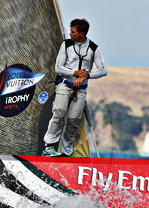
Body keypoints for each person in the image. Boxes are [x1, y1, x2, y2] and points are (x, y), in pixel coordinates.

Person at [42, 19, 107, 157]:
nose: (70, 33)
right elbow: (58, 68)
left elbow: (103, 71)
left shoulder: (93, 49)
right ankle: (48, 147)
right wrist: (74, 73)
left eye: (73, 32)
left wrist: (87, 76)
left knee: (73, 119)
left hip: (81, 89)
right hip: (64, 85)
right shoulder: (66, 45)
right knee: (59, 112)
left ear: (81, 34)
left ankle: (66, 151)